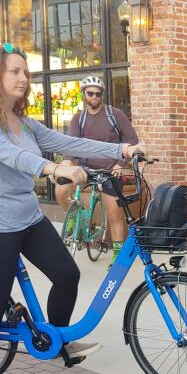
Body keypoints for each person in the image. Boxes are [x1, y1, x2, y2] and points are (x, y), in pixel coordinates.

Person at [0, 44, 146, 374]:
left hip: (26, 216)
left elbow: (66, 141)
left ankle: (55, 342)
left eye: (26, 72)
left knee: (66, 274)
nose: (23, 78)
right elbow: (13, 156)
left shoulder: (21, 121)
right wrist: (54, 170)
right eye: (14, 71)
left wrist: (122, 150)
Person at [55, 75, 139, 267]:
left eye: (98, 94)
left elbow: (132, 141)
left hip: (110, 170)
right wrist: (68, 162)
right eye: (90, 93)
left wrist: (121, 163)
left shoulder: (114, 114)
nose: (94, 97)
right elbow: (71, 145)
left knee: (114, 215)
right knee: (60, 190)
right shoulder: (79, 118)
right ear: (83, 94)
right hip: (85, 169)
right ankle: (75, 216)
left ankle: (118, 256)